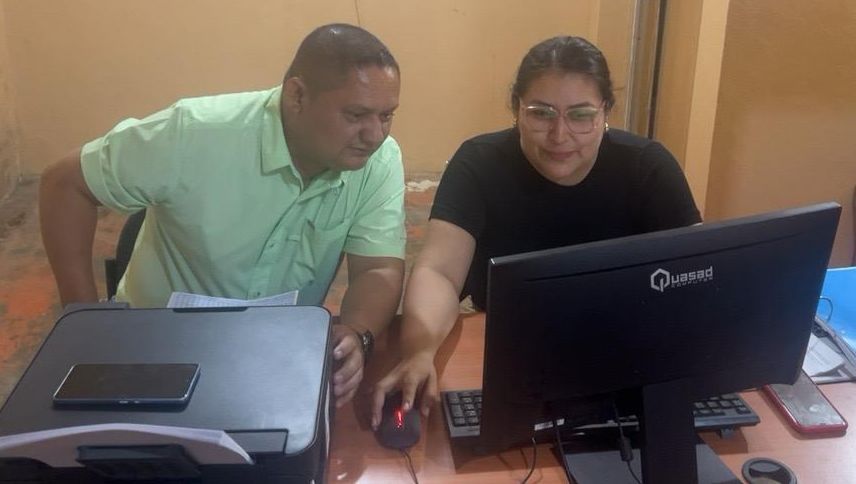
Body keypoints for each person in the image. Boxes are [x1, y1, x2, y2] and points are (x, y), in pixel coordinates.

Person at [39, 24, 406, 408]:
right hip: (154, 349)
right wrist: (83, 323)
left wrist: (358, 334)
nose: (375, 135)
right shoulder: (195, 133)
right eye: (356, 114)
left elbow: (378, 268)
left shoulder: (378, 161)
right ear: (297, 96)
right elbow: (64, 184)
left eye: (386, 116)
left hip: (275, 353)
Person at [370, 35, 701, 428]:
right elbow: (439, 271)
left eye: (581, 115)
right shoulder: (479, 164)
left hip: (628, 353)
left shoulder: (648, 167)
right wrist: (419, 350)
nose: (560, 135)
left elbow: (701, 273)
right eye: (541, 114)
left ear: (605, 112)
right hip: (511, 352)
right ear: (516, 109)